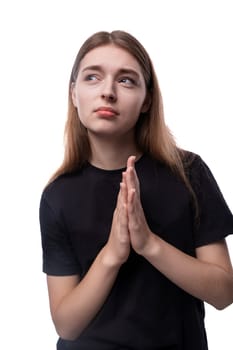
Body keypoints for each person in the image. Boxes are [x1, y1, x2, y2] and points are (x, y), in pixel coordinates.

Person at [39, 30, 233, 350]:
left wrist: (149, 244)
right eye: (92, 77)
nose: (108, 92)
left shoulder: (187, 174)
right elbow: (67, 325)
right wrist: (112, 255)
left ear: (147, 100)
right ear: (73, 94)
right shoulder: (58, 196)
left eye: (126, 80)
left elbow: (224, 293)